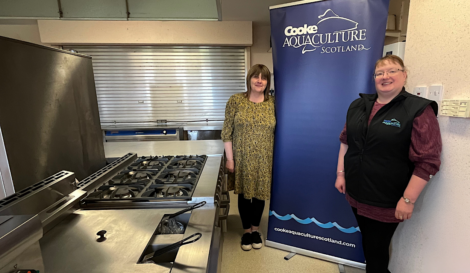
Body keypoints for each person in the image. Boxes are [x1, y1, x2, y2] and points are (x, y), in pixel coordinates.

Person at [334, 55, 442, 273]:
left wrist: (408, 200)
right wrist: (341, 174)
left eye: (392, 71)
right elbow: (346, 141)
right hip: (356, 192)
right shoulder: (358, 106)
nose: (385, 76)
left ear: (404, 74)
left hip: (387, 200)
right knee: (370, 245)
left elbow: (428, 161)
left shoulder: (418, 110)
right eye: (379, 73)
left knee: (376, 250)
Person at [221, 64, 276, 251]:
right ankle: (246, 232)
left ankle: (255, 230)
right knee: (244, 195)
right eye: (255, 76)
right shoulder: (236, 100)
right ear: (249, 79)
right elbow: (227, 132)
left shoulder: (273, 103)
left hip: (264, 159)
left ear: (268, 82)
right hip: (241, 158)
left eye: (264, 77)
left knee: (260, 196)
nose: (259, 80)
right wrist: (230, 159)